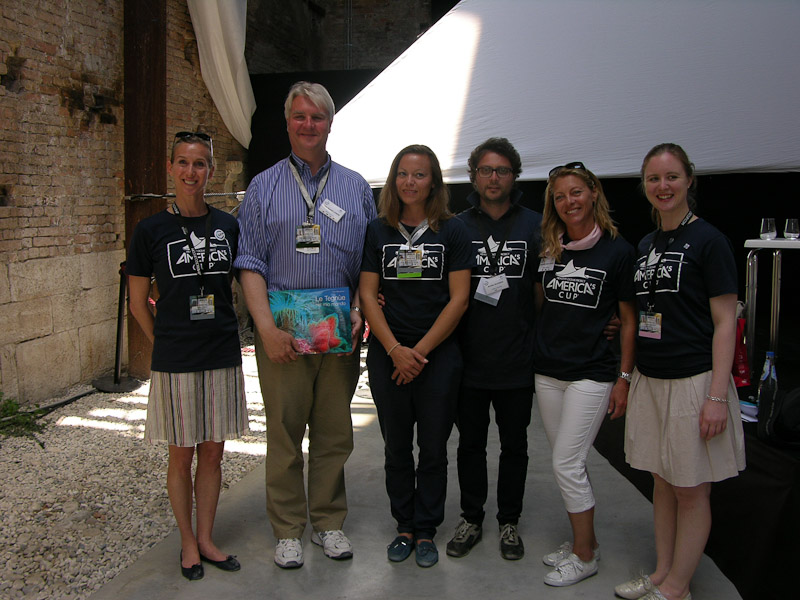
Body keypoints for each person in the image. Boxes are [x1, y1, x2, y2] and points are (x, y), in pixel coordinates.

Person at [235, 82, 376, 568]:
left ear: (330, 123)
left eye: (317, 117)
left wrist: (361, 308)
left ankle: (329, 523)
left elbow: (368, 264)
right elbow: (249, 262)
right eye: (299, 116)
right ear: (288, 123)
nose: (308, 125)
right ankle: (289, 528)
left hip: (339, 330)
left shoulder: (356, 187)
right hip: (285, 330)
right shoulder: (263, 187)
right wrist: (266, 330)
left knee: (335, 434)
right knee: (285, 432)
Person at [615, 144, 745, 600]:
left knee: (691, 491)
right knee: (663, 481)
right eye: (653, 179)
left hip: (694, 381)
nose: (662, 187)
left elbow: (726, 322)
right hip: (654, 380)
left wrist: (715, 396)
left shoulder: (709, 241)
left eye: (671, 177)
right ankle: (662, 574)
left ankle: (676, 588)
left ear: (689, 179)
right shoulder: (648, 245)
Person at [127, 131, 247, 581]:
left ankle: (208, 537)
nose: (191, 172)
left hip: (221, 350)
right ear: (171, 168)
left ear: (210, 171)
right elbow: (138, 301)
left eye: (200, 164)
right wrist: (161, 340)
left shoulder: (227, 226)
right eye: (183, 162)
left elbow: (244, 282)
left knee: (213, 452)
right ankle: (187, 542)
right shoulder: (151, 230)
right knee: (181, 455)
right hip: (176, 355)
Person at [359, 144, 473, 567]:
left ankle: (426, 529)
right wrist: (393, 350)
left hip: (437, 356)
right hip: (388, 353)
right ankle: (403, 526)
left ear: (434, 182)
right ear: (393, 180)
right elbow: (368, 294)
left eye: (420, 175)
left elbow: (459, 300)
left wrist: (418, 354)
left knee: (433, 449)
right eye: (403, 174)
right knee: (395, 449)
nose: (410, 182)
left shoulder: (453, 231)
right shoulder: (377, 230)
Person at [534, 162, 636, 586]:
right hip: (548, 372)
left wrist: (624, 377)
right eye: (560, 196)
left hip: (591, 374)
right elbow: (543, 304)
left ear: (593, 193)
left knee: (566, 462)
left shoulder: (617, 250)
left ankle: (585, 554)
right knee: (568, 463)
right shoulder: (550, 247)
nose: (568, 202)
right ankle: (583, 538)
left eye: (576, 192)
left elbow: (629, 320)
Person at [444, 138, 541, 561]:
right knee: (470, 445)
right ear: (474, 176)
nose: (494, 177)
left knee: (515, 445)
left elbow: (541, 291)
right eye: (486, 170)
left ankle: (509, 521)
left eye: (502, 170)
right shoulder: (457, 226)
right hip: (468, 359)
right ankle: (471, 517)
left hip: (517, 359)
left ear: (514, 176)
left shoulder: (534, 225)